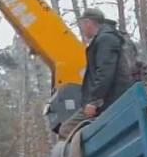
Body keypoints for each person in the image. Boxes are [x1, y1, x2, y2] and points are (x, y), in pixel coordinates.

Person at [58, 8, 139, 139]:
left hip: (109, 100)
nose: (82, 29)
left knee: (66, 130)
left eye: (82, 25)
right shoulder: (108, 37)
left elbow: (105, 73)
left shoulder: (105, 39)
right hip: (112, 98)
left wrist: (93, 101)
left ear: (88, 23)